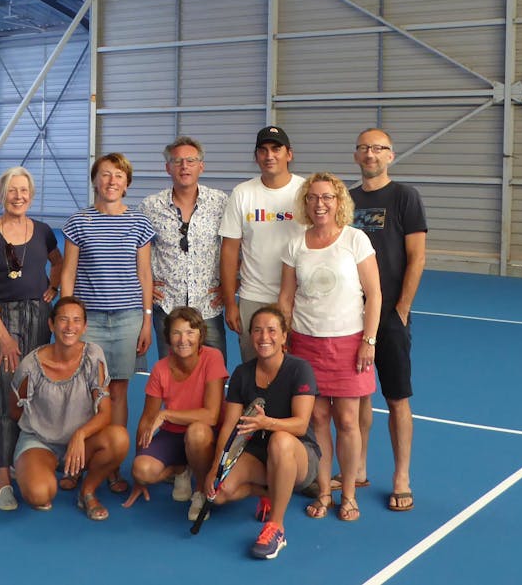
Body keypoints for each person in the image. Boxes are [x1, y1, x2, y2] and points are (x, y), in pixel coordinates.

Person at [278, 172, 382, 522]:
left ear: (339, 202)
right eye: (313, 197)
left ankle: (349, 494)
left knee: (348, 421)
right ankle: (324, 492)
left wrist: (368, 340)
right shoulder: (295, 244)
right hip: (306, 344)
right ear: (305, 203)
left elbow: (375, 294)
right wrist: (283, 339)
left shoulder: (355, 239)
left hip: (350, 342)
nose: (320, 203)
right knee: (318, 418)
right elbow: (286, 297)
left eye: (327, 197)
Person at [61, 152, 154, 493]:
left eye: (118, 175)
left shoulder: (139, 224)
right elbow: (68, 272)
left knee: (118, 391)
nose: (111, 181)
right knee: (83, 393)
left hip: (129, 319)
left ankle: (112, 464)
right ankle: (77, 461)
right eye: (105, 175)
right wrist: (67, 316)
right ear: (95, 181)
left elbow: (145, 274)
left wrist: (146, 320)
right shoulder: (78, 222)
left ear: (127, 183)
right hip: (90, 321)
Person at [0, 166, 63, 511]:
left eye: (24, 190)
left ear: (32, 194)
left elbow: (57, 262)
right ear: (1, 195)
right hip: (2, 320)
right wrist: (4, 338)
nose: (19, 196)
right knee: (7, 401)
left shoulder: (42, 232)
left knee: (39, 395)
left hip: (40, 318)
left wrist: (53, 286)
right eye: (12, 190)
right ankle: (3, 480)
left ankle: (36, 462)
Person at [349, 128, 427, 512]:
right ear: (356, 155)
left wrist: (401, 309)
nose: (370, 154)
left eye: (378, 148)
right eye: (364, 148)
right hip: (351, 316)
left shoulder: (405, 197)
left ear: (390, 156)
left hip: (391, 316)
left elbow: (417, 258)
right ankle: (359, 467)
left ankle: (401, 476)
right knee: (358, 395)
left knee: (396, 398)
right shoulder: (347, 199)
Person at [202, 305, 318, 560]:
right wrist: (214, 468)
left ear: (284, 336)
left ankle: (277, 527)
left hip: (298, 455)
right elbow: (230, 426)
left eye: (272, 330)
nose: (264, 337)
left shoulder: (299, 369)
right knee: (218, 495)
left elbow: (300, 425)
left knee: (280, 441)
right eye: (257, 331)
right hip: (257, 456)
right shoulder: (242, 373)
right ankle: (271, 491)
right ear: (250, 336)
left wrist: (268, 423)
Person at [10, 297, 130, 518]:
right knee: (40, 495)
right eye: (63, 320)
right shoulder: (30, 365)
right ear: (51, 324)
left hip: (82, 443)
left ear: (84, 327)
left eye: (76, 321)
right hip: (41, 441)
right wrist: (43, 428)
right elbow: (14, 409)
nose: (69, 327)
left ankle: (87, 491)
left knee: (119, 438)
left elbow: (105, 412)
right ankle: (30, 467)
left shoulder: (94, 356)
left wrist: (79, 434)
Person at [122, 307, 228, 519]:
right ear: (168, 338)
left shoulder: (213, 358)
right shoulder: (160, 369)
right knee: (142, 470)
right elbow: (146, 419)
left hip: (207, 434)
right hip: (173, 435)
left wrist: (166, 414)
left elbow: (211, 416)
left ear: (201, 335)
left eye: (190, 332)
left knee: (197, 432)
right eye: (176, 333)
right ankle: (181, 468)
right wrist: (137, 477)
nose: (183, 339)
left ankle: (199, 490)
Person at [139, 136, 229, 362]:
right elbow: (135, 250)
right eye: (177, 161)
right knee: (171, 380)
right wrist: (145, 287)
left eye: (191, 160)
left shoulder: (221, 203)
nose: (184, 166)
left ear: (202, 166)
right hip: (167, 307)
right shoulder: (150, 206)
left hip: (208, 307)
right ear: (167, 167)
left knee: (215, 378)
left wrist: (231, 284)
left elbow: (237, 247)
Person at [220, 126, 305, 363]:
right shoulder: (242, 193)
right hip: (252, 297)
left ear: (289, 154)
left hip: (300, 298)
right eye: (263, 150)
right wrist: (230, 303)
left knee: (295, 371)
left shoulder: (306, 191)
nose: (270, 156)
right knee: (254, 368)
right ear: (256, 156)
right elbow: (229, 251)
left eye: (276, 149)